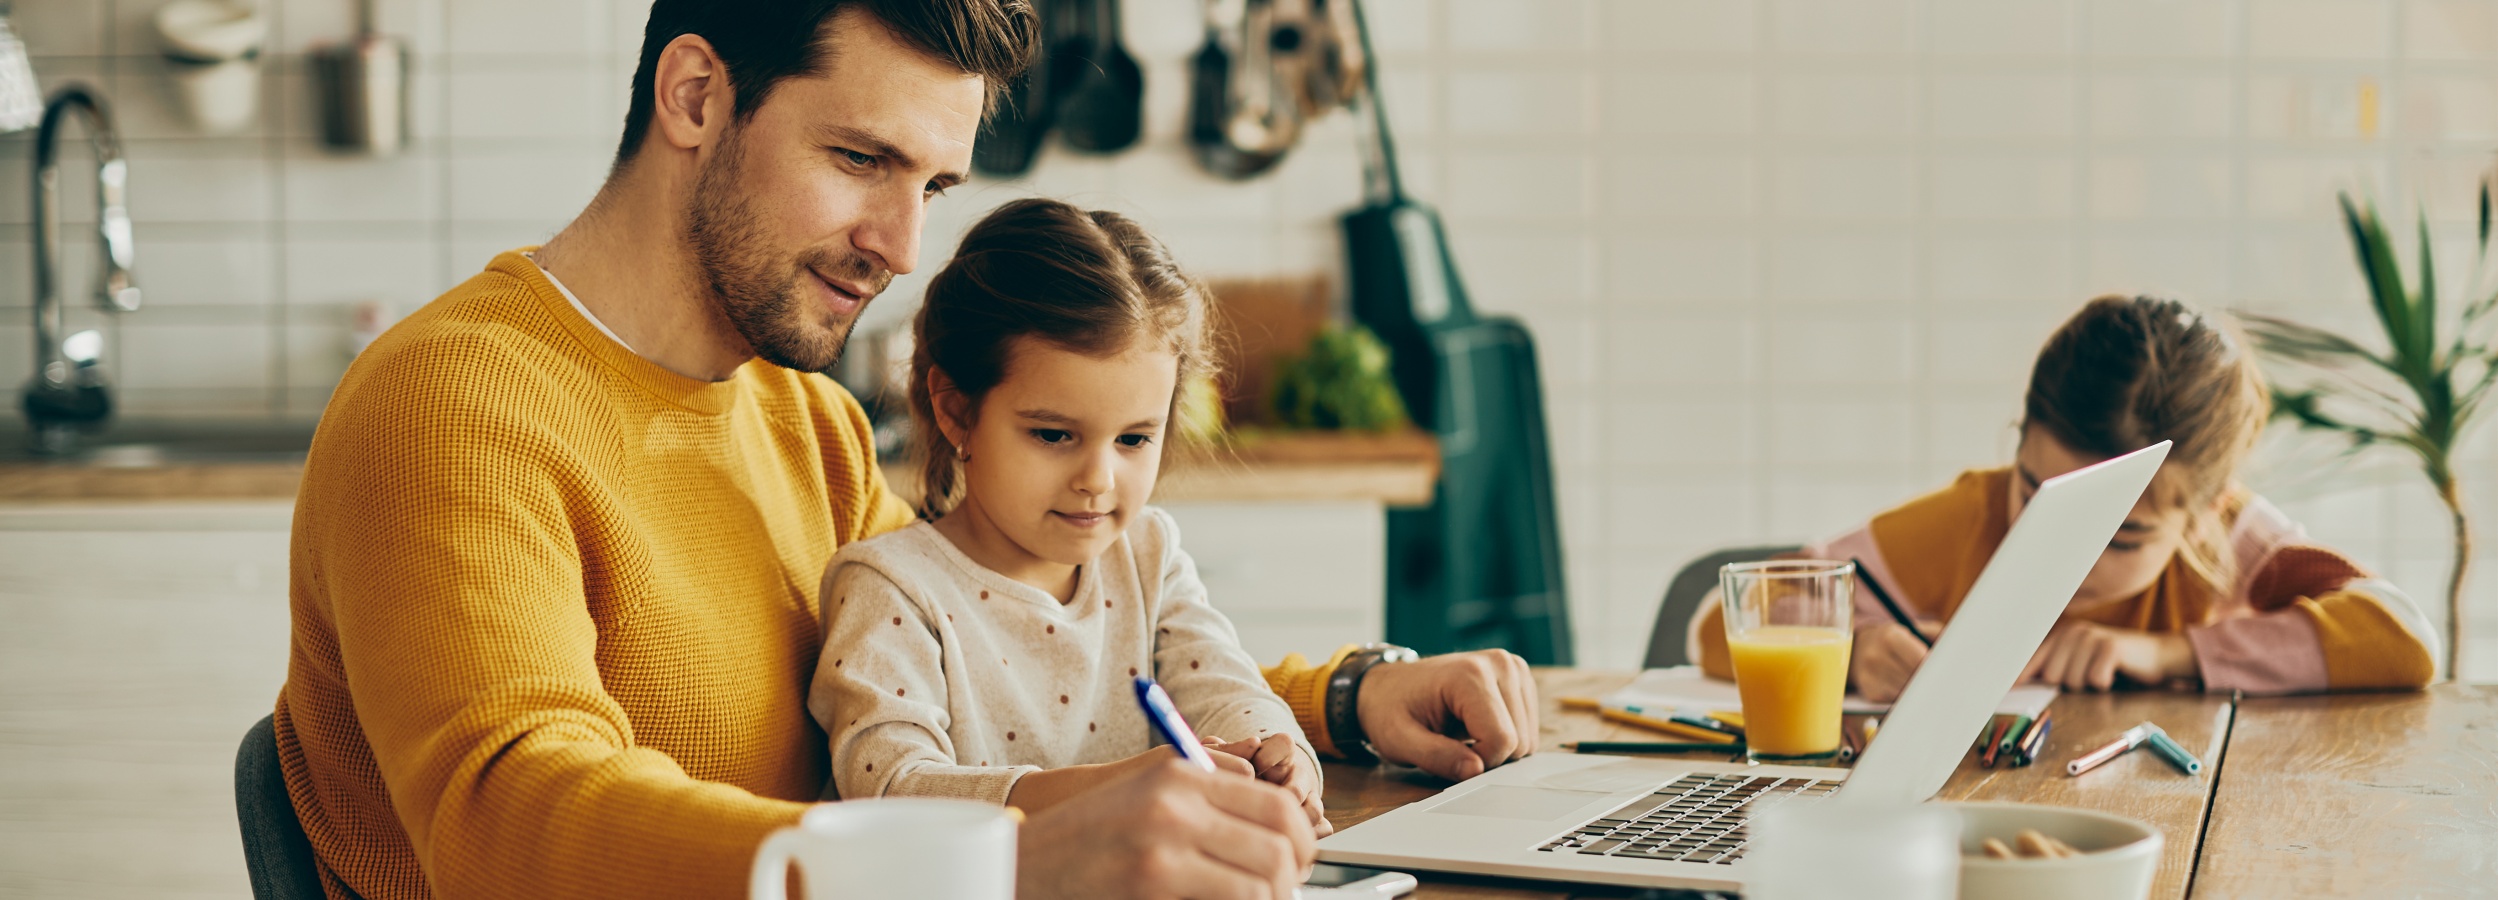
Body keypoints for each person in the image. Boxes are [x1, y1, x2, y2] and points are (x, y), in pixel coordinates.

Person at [271, 3, 1536, 899]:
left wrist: (1344, 699)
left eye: (930, 186)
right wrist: (1001, 858)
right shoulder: (454, 404)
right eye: (860, 159)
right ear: (697, 96)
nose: (898, 244)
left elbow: (1005, 645)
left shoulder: (801, 421)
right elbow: (509, 829)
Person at [812, 198, 1327, 831]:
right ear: (956, 410)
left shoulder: (1148, 557)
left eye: (1135, 439)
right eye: (1054, 435)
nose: (1098, 480)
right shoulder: (892, 588)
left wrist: (1279, 753)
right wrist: (1111, 789)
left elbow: (1224, 689)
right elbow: (891, 789)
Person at [1690, 295, 2438, 700]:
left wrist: (2166, 652)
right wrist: (1852, 657)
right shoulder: (1968, 519)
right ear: (2017, 447)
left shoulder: (2229, 540)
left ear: (2204, 512)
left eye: (2121, 535)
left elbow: (2403, 637)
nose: (2067, 554)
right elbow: (1723, 625)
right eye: (2038, 499)